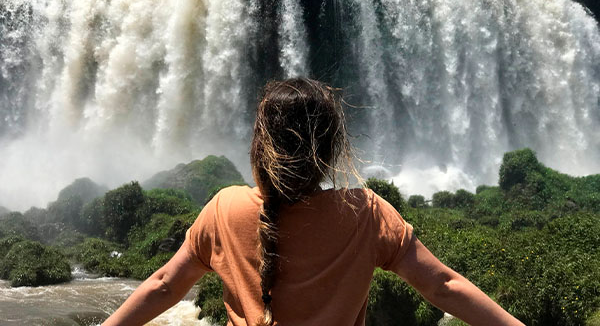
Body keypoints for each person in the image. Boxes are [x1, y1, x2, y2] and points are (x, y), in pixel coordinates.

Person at [103, 78, 524, 326]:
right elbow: (443, 285)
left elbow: (163, 286)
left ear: (259, 145)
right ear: (331, 149)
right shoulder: (365, 212)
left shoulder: (223, 208)